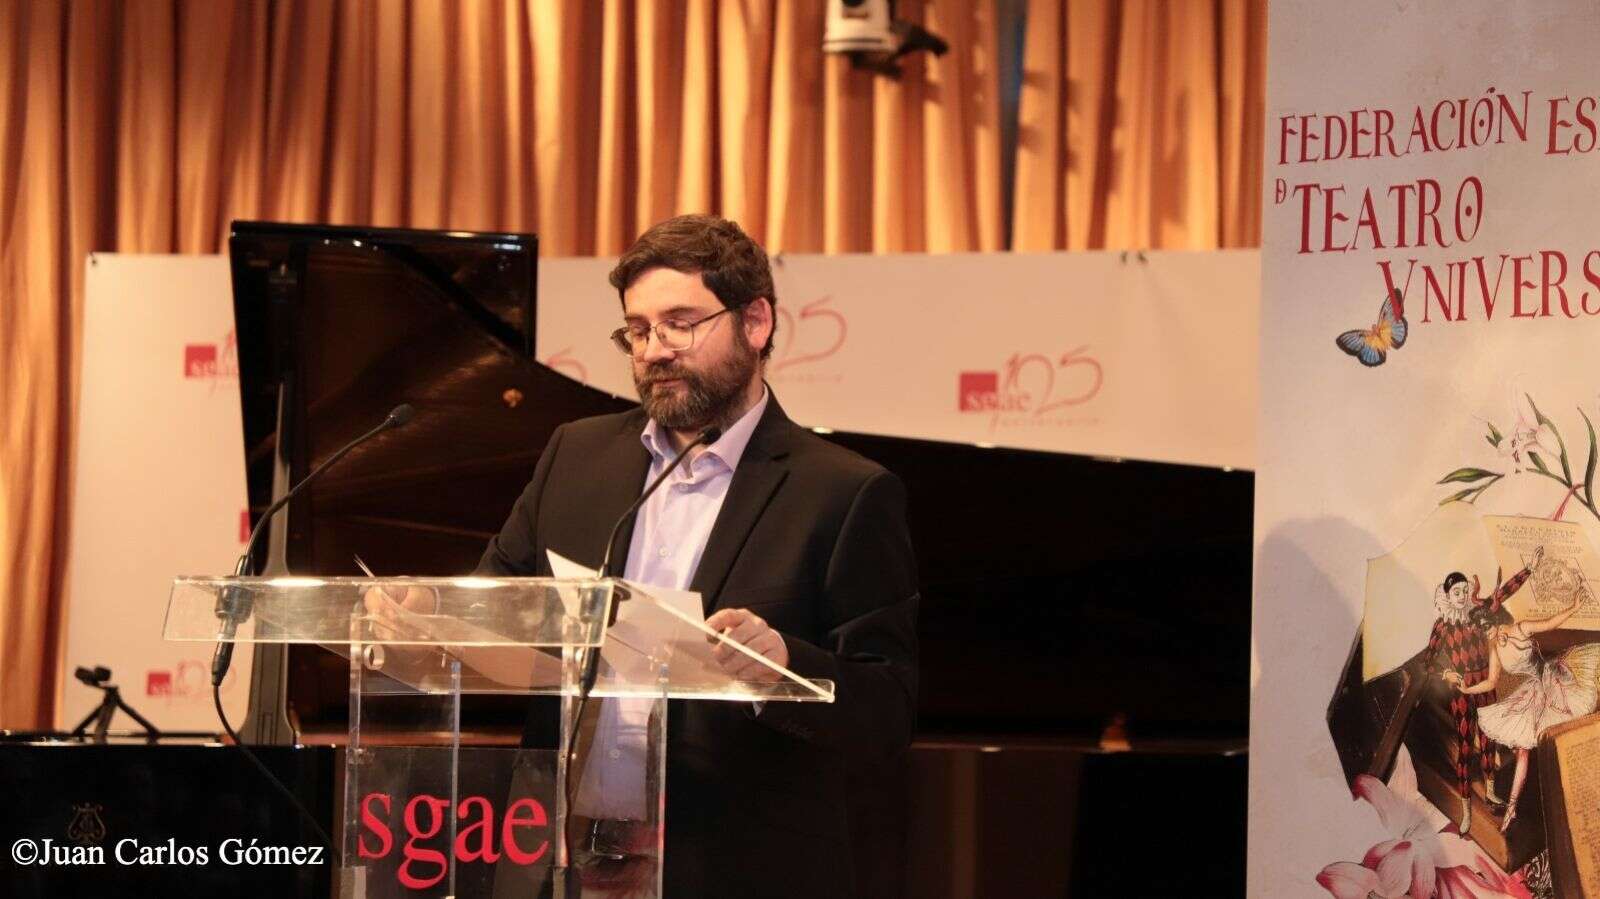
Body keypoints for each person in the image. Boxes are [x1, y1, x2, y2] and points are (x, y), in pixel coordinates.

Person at [474, 214, 919, 897]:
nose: (654, 351)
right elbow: (492, 603)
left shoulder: (843, 493)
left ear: (756, 322)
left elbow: (886, 710)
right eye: (638, 330)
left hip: (730, 867)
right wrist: (425, 610)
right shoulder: (575, 456)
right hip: (561, 862)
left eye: (680, 324)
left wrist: (782, 666)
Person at [1445, 555, 1599, 832]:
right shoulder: (1494, 647)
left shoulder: (1520, 628)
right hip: (1532, 694)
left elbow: (1550, 623)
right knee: (1524, 751)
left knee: (1570, 730)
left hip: (1554, 681)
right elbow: (1491, 682)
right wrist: (1467, 688)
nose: (1488, 636)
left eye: (1488, 629)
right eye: (1483, 633)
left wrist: (1575, 606)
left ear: (1493, 621)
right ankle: (1512, 808)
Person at [1424, 550, 1537, 832]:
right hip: (1462, 690)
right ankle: (1466, 811)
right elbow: (1429, 664)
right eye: (1457, 592)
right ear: (1447, 595)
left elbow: (1503, 593)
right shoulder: (1442, 625)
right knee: (1465, 747)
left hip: (1485, 683)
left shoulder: (1477, 614)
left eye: (1465, 591)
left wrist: (1529, 569)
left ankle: (1490, 792)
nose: (1463, 596)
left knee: (1488, 741)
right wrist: (1446, 673)